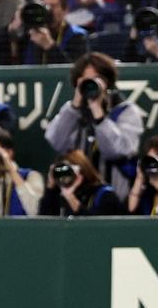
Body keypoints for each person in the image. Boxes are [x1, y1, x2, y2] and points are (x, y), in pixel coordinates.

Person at [43, 52, 143, 199]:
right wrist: (74, 106)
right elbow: (56, 141)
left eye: (96, 79)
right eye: (85, 80)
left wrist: (98, 112)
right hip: (76, 197)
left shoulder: (126, 111)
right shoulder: (73, 113)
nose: (90, 84)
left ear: (108, 82)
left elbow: (117, 151)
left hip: (114, 198)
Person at [40, 150, 122, 216]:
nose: (64, 177)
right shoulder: (60, 194)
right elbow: (42, 225)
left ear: (81, 170)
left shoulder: (105, 194)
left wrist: (70, 197)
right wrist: (50, 187)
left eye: (68, 171)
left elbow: (95, 227)